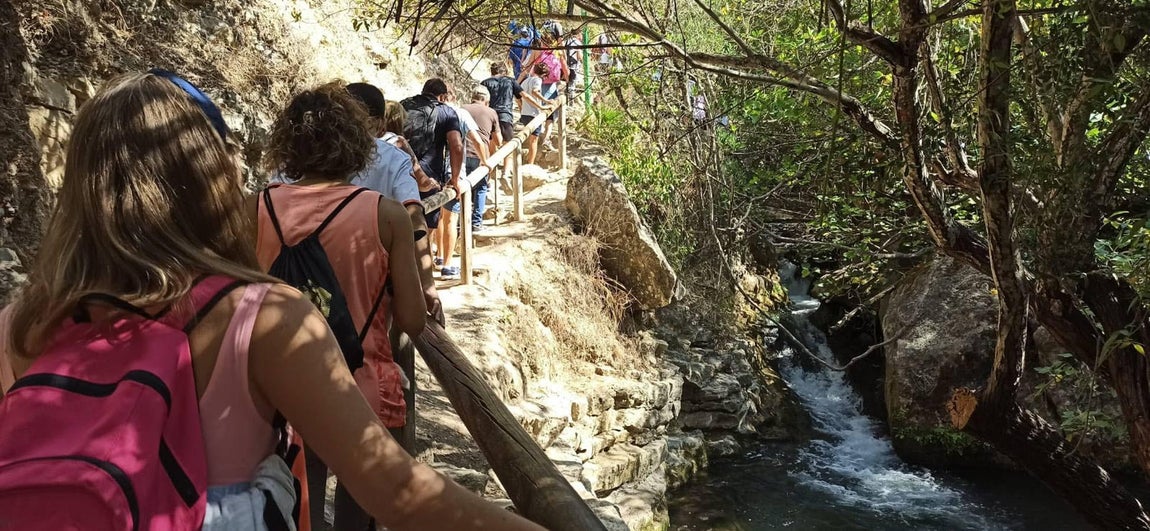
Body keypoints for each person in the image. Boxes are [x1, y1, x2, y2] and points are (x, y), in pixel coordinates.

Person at [0, 71, 540, 531]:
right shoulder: (264, 319)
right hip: (363, 379)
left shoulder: (18, 327)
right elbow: (394, 488)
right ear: (209, 176)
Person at [401, 79, 465, 277]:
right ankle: (421, 278)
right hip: (430, 178)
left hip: (401, 172)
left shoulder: (404, 105)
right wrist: (455, 179)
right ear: (443, 96)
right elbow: (456, 146)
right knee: (425, 228)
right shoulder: (446, 112)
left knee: (401, 224)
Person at [519, 22, 568, 152]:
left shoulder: (537, 50)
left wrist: (519, 79)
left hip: (536, 81)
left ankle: (533, 136)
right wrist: (567, 79)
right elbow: (564, 66)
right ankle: (546, 138)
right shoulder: (557, 51)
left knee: (536, 109)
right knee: (551, 113)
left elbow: (527, 66)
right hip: (551, 84)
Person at [462, 85, 503, 233]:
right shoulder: (491, 112)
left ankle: (460, 222)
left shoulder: (462, 109)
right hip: (481, 155)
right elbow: (498, 140)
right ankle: (476, 222)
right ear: (486, 100)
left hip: (461, 154)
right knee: (480, 188)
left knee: (461, 188)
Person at [480, 62, 523, 155]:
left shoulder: (485, 83)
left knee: (491, 141)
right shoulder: (510, 81)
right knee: (508, 143)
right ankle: (506, 169)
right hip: (505, 114)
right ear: (505, 71)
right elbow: (521, 98)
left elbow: (481, 101)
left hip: (490, 115)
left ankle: (492, 168)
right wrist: (521, 111)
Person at [518, 62, 554, 165]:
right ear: (544, 75)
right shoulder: (537, 80)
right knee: (533, 141)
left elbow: (519, 97)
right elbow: (535, 91)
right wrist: (545, 102)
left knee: (529, 138)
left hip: (524, 114)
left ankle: (527, 161)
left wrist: (521, 108)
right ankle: (530, 164)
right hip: (533, 113)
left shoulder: (525, 81)